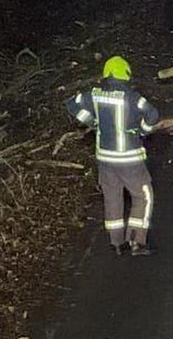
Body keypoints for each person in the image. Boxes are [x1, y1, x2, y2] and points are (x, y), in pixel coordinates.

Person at [66, 56, 162, 256]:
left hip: (105, 159)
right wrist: (143, 131)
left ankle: (117, 243)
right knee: (143, 196)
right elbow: (152, 115)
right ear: (125, 73)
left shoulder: (95, 94)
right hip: (129, 159)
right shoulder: (132, 97)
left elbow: (72, 104)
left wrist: (92, 122)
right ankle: (136, 242)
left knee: (112, 198)